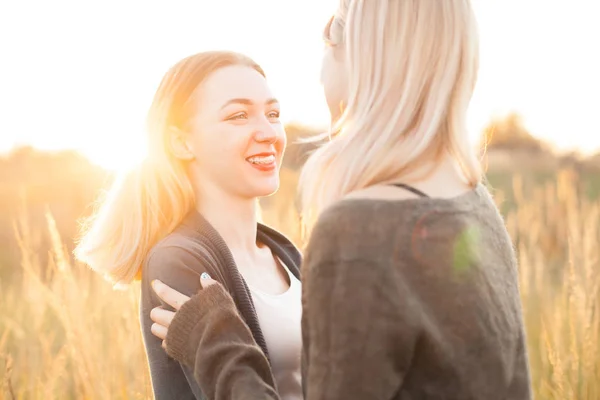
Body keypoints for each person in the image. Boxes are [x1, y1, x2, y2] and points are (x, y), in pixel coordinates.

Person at [150, 0, 534, 399]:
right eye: (237, 116)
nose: (320, 73)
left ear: (362, 58)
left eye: (274, 113)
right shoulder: (475, 205)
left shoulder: (359, 230)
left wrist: (215, 345)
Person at [74, 51, 303, 400]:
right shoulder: (177, 260)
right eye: (239, 116)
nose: (268, 131)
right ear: (181, 142)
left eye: (273, 114)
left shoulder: (286, 254)